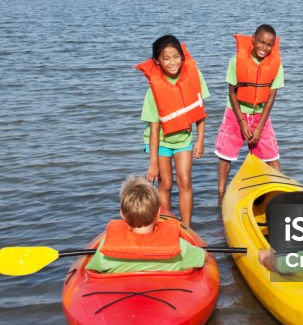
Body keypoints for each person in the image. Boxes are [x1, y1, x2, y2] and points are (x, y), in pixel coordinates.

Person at [136, 34, 209, 226]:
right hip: (160, 142)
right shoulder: (154, 89)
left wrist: (200, 140)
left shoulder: (193, 77)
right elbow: (153, 129)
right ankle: (166, 224)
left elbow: (199, 113)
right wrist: (153, 163)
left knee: (185, 182)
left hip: (183, 139)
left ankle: (186, 227)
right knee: (166, 183)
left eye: (176, 57)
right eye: (166, 58)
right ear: (157, 62)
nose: (172, 62)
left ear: (182, 57)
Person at [215, 25, 283, 200]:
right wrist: (241, 121)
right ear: (253, 39)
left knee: (272, 157)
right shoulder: (236, 61)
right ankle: (221, 194)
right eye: (261, 42)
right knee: (225, 157)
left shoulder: (276, 64)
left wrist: (259, 127)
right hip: (235, 112)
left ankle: (280, 194)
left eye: (269, 44)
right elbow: (232, 92)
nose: (264, 47)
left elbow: (271, 98)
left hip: (261, 114)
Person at [88, 177, 206, 274]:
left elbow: (92, 271)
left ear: (122, 214)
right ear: (158, 213)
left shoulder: (105, 249)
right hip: (167, 295)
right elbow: (204, 257)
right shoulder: (180, 247)